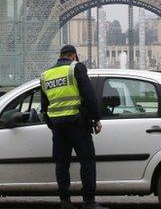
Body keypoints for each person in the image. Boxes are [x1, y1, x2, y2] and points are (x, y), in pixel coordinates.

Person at [40, 45, 107, 209]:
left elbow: (44, 106)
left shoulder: (45, 75)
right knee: (87, 161)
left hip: (58, 127)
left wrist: (52, 124)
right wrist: (96, 118)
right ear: (74, 56)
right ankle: (89, 201)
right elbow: (88, 95)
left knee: (62, 163)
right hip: (77, 124)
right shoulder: (76, 68)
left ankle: (65, 201)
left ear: (60, 55)